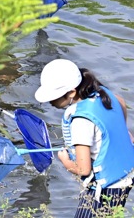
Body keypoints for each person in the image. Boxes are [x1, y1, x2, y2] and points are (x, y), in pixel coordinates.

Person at [35, 59, 134, 218]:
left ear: (72, 93)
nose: (50, 101)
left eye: (53, 97)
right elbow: (120, 102)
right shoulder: (102, 93)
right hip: (125, 175)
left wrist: (65, 160)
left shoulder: (80, 122)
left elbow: (84, 169)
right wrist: (121, 130)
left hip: (106, 186)